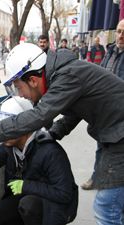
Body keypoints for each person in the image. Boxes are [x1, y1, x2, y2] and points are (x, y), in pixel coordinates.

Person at [0, 42, 124, 225]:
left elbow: (39, 116)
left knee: (107, 206)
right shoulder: (65, 75)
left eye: (18, 87)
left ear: (33, 80)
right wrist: (54, 132)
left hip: (120, 134)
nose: (20, 95)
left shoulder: (67, 76)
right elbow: (76, 112)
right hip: (114, 132)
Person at [0, 96, 78, 225]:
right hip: (29, 196)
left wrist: (25, 185)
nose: (3, 133)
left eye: (9, 128)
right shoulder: (11, 146)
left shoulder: (50, 151)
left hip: (56, 206)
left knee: (29, 205)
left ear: (25, 126)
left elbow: (64, 194)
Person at [81, 19, 124, 190]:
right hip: (104, 110)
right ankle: (96, 177)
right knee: (100, 145)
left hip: (120, 112)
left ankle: (111, 183)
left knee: (114, 149)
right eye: (119, 31)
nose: (121, 36)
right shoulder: (111, 51)